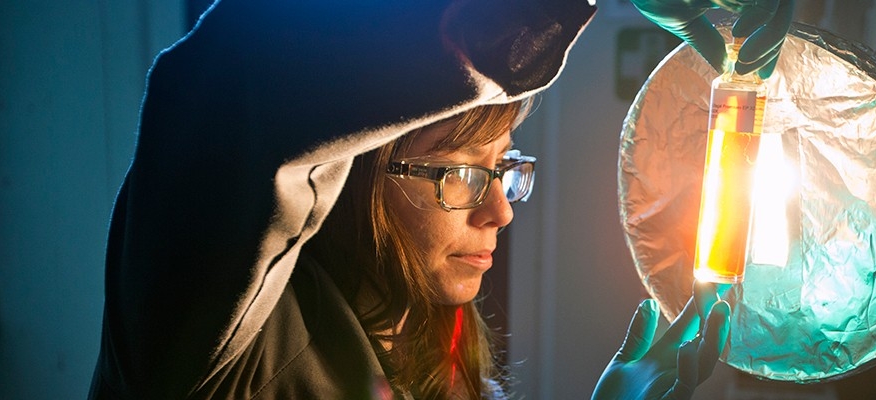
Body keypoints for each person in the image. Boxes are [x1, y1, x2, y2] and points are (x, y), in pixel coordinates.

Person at [88, 0, 793, 399]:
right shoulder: (206, 343)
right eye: (460, 173)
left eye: (504, 168)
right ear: (347, 167)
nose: (502, 212)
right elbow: (231, 79)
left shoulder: (444, 361)